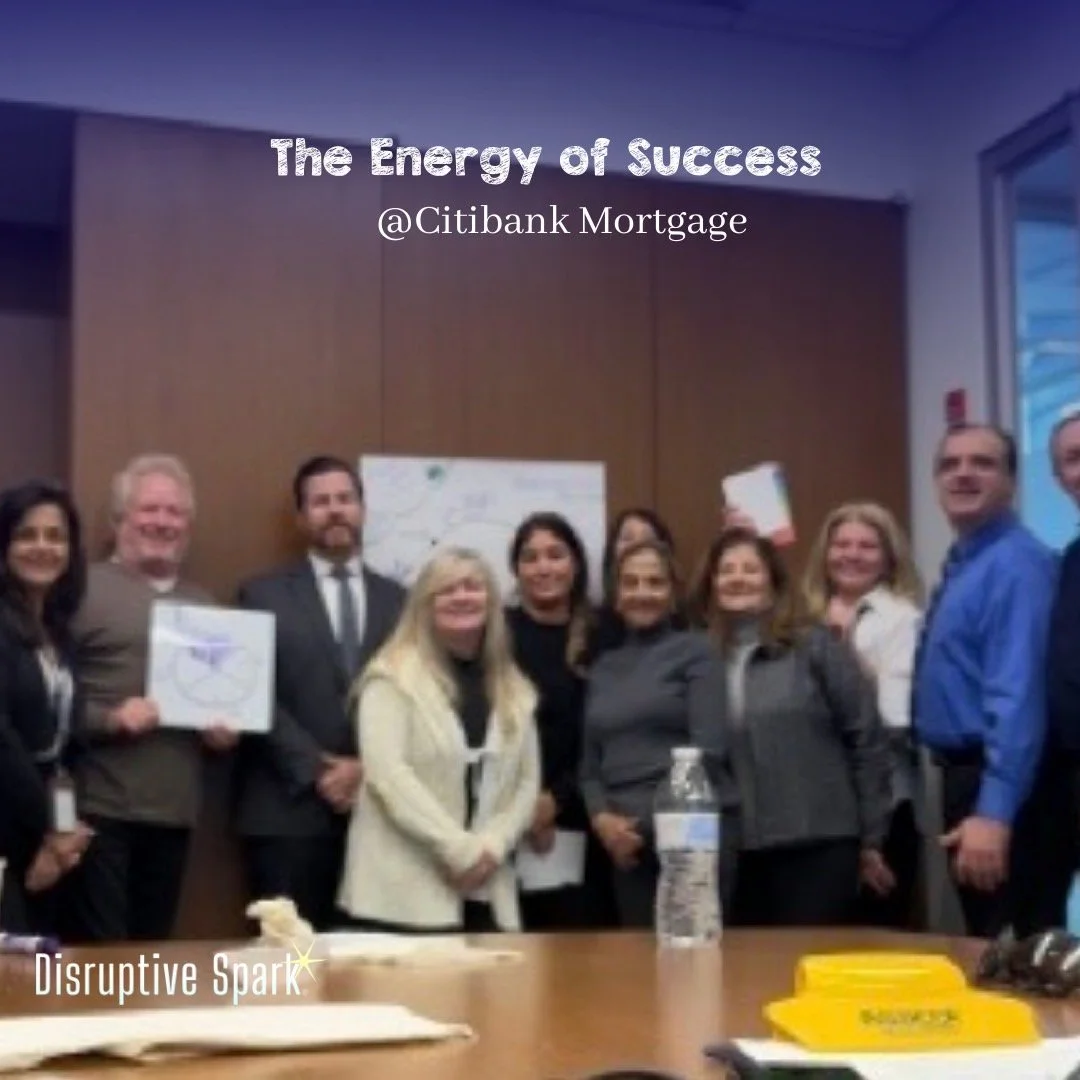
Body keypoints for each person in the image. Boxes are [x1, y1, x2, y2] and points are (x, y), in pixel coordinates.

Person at [234, 455, 405, 931]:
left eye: (345, 499)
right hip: (286, 813)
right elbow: (250, 692)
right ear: (300, 517)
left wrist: (366, 769)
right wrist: (318, 769)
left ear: (363, 509)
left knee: (367, 970)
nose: (335, 510)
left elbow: (415, 700)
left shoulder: (401, 600)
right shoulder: (260, 594)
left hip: (380, 812)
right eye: (321, 501)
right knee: (291, 970)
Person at [70, 454, 236, 941]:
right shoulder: (80, 589)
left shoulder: (206, 607)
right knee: (101, 966)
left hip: (173, 812)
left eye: (174, 512)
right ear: (120, 518)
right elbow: (41, 702)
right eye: (149, 509)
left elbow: (224, 705)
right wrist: (110, 718)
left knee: (150, 959)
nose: (162, 522)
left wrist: (222, 736)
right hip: (96, 810)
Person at [914, 423, 1069, 938]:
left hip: (1002, 785)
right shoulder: (967, 562)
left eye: (982, 463)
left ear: (1011, 482)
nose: (962, 473)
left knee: (1011, 962)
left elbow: (1018, 693)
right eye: (949, 464)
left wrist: (995, 813)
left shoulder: (1016, 565)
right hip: (968, 777)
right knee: (991, 955)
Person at [691, 527, 891, 927]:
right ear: (711, 584)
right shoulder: (700, 659)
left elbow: (866, 737)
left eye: (751, 568)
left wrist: (872, 839)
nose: (737, 577)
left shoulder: (812, 644)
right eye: (726, 570)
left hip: (819, 843)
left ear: (773, 581)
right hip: (737, 853)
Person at [337, 547, 540, 933]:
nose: (461, 596)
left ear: (491, 599)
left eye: (472, 586)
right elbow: (388, 777)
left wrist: (491, 849)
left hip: (486, 891)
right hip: (401, 898)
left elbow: (527, 783)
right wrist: (460, 851)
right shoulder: (390, 677)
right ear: (423, 606)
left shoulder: (513, 686)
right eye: (445, 590)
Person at [580, 537, 733, 927]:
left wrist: (640, 824)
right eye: (630, 583)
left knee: (693, 971)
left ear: (673, 594)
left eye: (655, 582)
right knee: (638, 973)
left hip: (689, 836)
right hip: (624, 845)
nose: (642, 593)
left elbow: (709, 752)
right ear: (616, 596)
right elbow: (589, 765)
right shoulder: (603, 667)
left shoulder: (697, 651)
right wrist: (602, 821)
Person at [802, 502, 924, 928]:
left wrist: (841, 650)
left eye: (867, 546)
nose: (851, 555)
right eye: (842, 544)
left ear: (889, 557)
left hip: (885, 806)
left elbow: (894, 717)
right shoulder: (799, 616)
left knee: (878, 939)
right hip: (815, 809)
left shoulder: (903, 620)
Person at [505, 512, 615, 929]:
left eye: (556, 554)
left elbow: (608, 731)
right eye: (530, 558)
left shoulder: (606, 634)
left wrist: (559, 799)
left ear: (576, 563)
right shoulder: (499, 633)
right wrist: (527, 805)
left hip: (593, 819)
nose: (544, 567)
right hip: (512, 821)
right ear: (516, 569)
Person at [0, 481, 92, 935]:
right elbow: (3, 742)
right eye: (26, 535)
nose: (43, 547)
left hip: (41, 837)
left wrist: (63, 831)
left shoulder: (58, 633)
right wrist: (51, 835)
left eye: (55, 537)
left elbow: (59, 751)